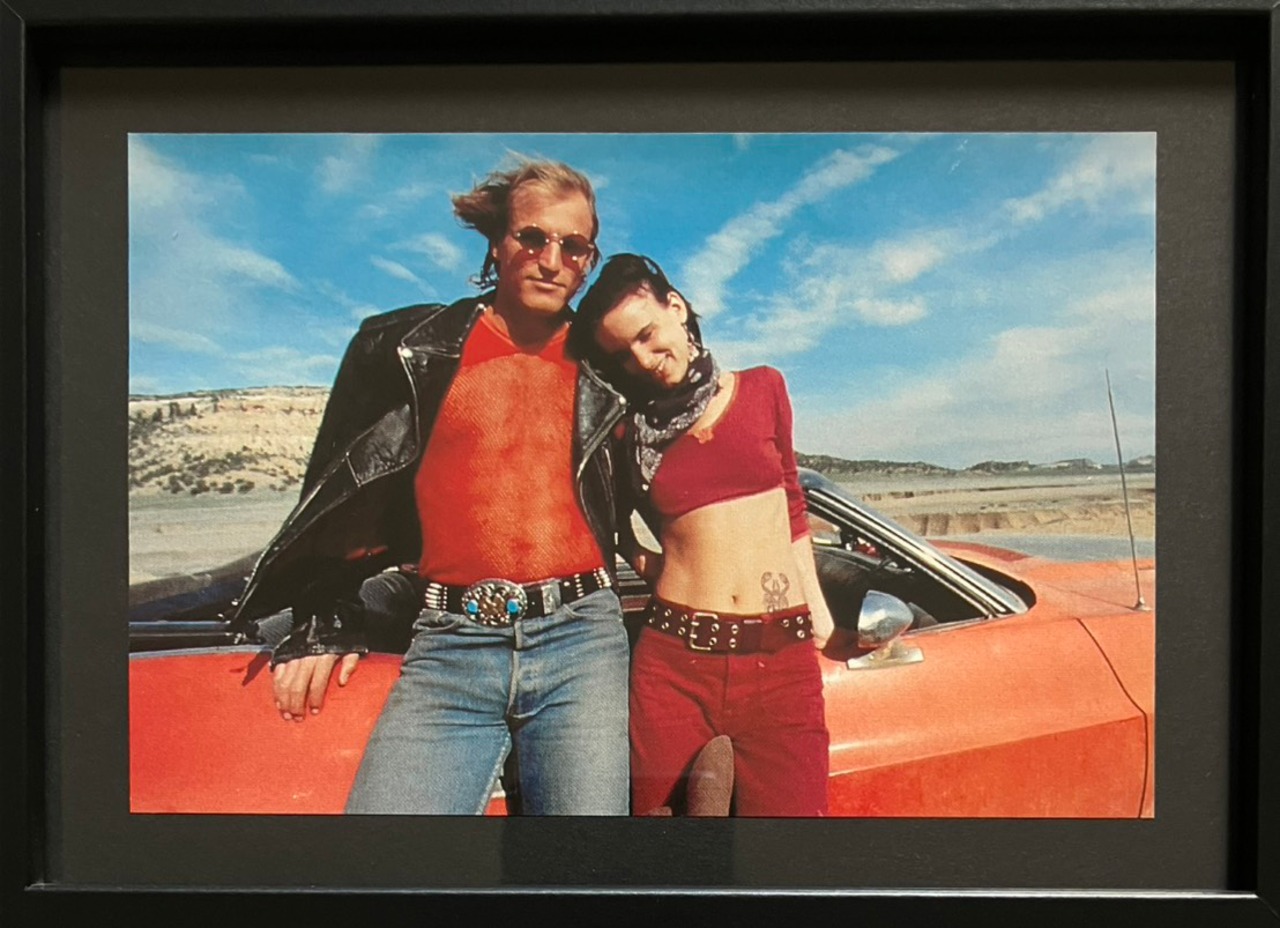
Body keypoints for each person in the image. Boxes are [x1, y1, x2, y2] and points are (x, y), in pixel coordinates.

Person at [227, 159, 631, 815]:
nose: (552, 260)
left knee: (584, 862)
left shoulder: (611, 364)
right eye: (532, 237)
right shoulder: (406, 348)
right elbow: (332, 497)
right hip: (450, 641)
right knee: (383, 856)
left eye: (574, 245)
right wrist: (324, 617)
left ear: (589, 261)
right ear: (497, 243)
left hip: (581, 642)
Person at [571, 253, 836, 817]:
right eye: (624, 353)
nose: (643, 359)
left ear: (676, 307)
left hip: (781, 660)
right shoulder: (628, 432)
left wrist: (818, 608)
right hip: (675, 665)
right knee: (664, 846)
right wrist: (659, 567)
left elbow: (791, 502)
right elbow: (609, 527)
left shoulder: (764, 387)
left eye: (647, 334)